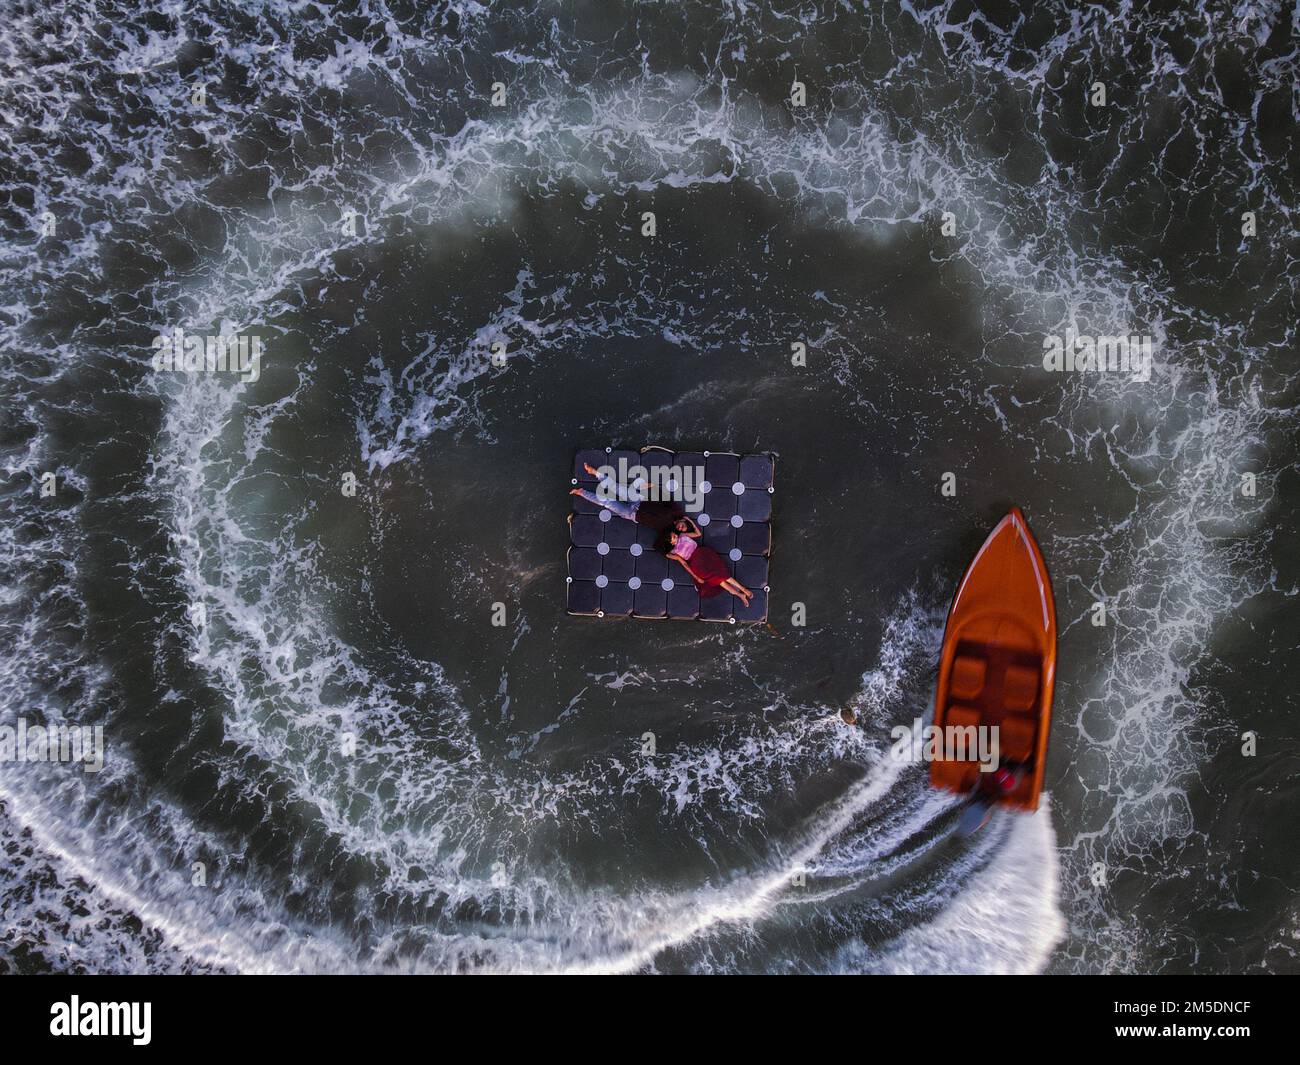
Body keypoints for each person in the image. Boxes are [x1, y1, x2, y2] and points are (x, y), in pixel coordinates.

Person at [569, 462, 690, 533]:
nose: (679, 528)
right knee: (614, 487)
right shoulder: (676, 511)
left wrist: (687, 533)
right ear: (684, 520)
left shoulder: (669, 531)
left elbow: (660, 545)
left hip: (631, 514)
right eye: (683, 526)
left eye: (681, 530)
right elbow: (666, 499)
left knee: (606, 502)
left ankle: (582, 492)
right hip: (639, 500)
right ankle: (594, 472)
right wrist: (652, 487)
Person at [660, 526, 754, 604]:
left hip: (703, 553)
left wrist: (689, 521)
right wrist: (695, 577)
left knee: (722, 574)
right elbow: (684, 564)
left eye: (675, 534)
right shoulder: (673, 552)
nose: (676, 535)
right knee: (719, 580)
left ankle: (743, 589)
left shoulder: (682, 535)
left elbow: (698, 533)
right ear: (670, 542)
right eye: (674, 537)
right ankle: (740, 594)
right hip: (696, 564)